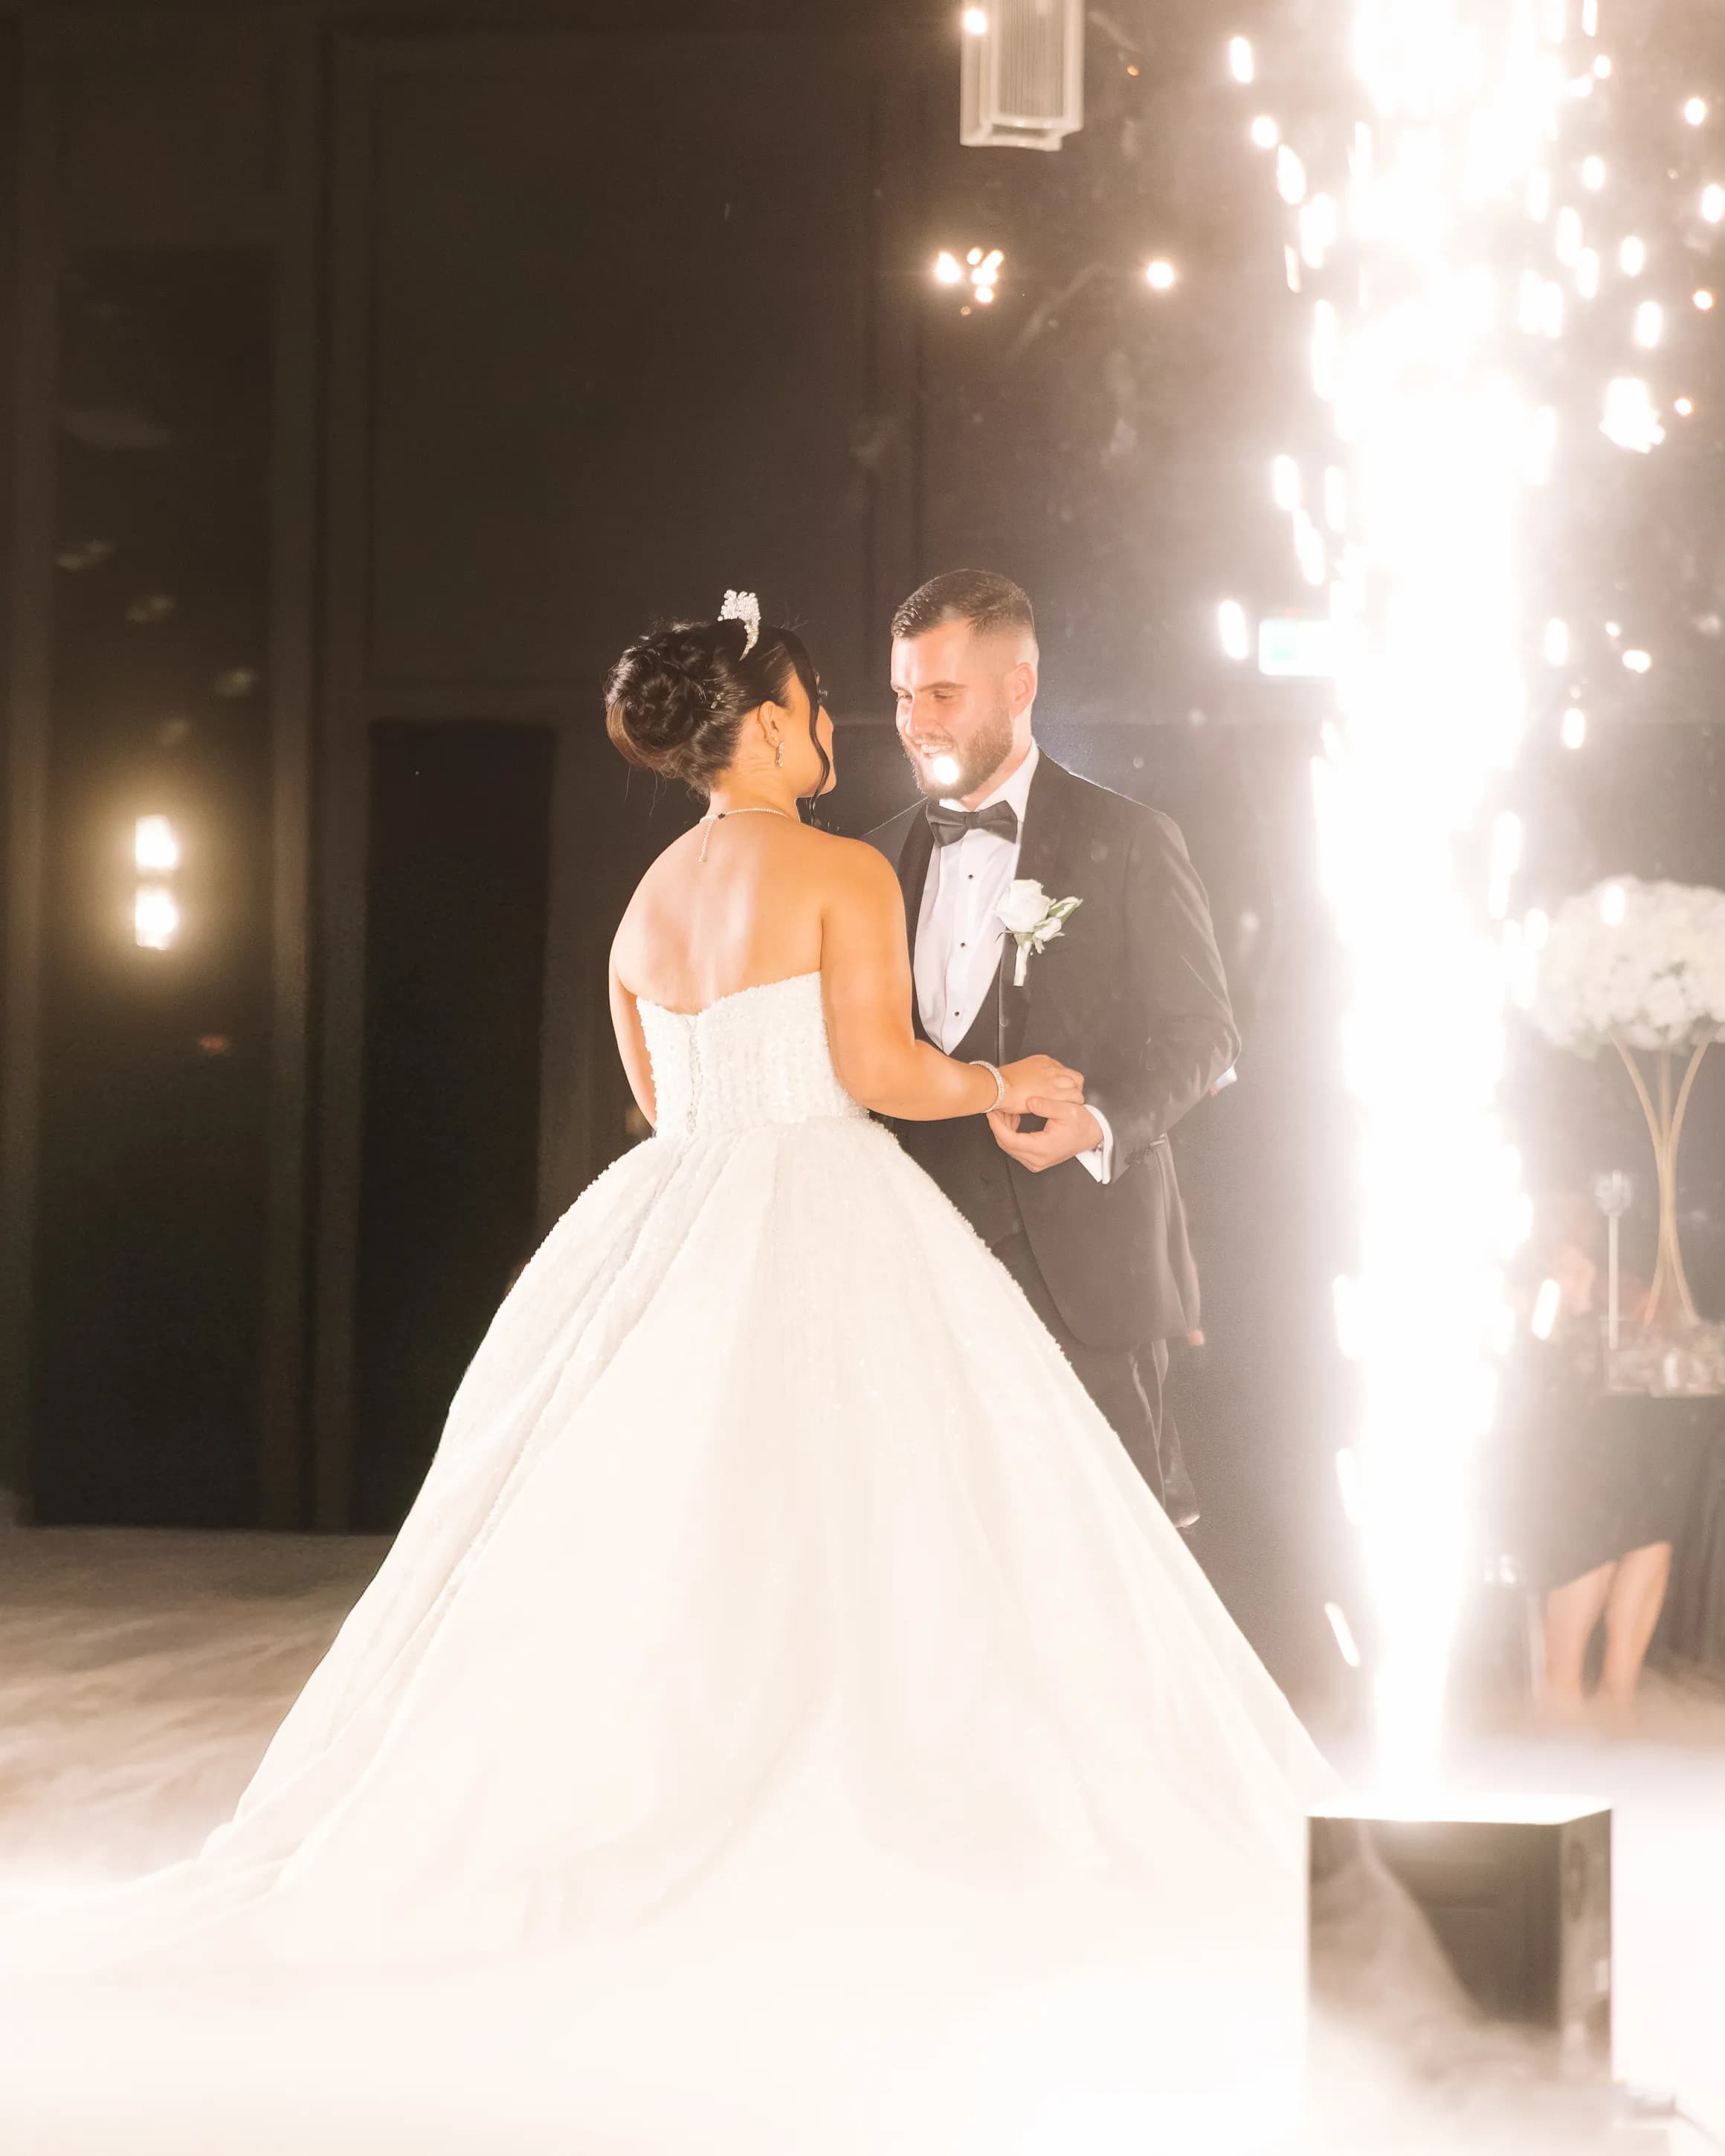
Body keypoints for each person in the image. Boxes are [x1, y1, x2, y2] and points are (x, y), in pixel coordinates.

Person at [1, 596, 1332, 2147]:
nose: (840, 723)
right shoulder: (836, 867)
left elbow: (650, 1095)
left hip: (666, 1218)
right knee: (879, 1522)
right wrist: (1000, 1079)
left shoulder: (643, 896)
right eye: (820, 700)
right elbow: (880, 1071)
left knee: (646, 1533)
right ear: (761, 724)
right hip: (827, 1210)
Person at [866, 571, 1238, 1527]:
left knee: (1111, 1567)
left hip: (1090, 1274)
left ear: (1019, 687)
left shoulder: (1131, 838)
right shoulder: (870, 862)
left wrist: (1100, 1121)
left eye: (942, 693)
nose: (917, 721)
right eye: (904, 695)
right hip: (907, 1272)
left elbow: (1204, 1034)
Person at [1515, 1198, 1706, 1720]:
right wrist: (1581, 1284)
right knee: (1588, 1552)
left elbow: (1647, 1311)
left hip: (1633, 1424)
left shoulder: (1624, 1253)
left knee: (1650, 1540)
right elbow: (1540, 1331)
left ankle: (1614, 1714)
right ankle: (1561, 1723)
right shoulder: (1538, 1272)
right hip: (1567, 1434)